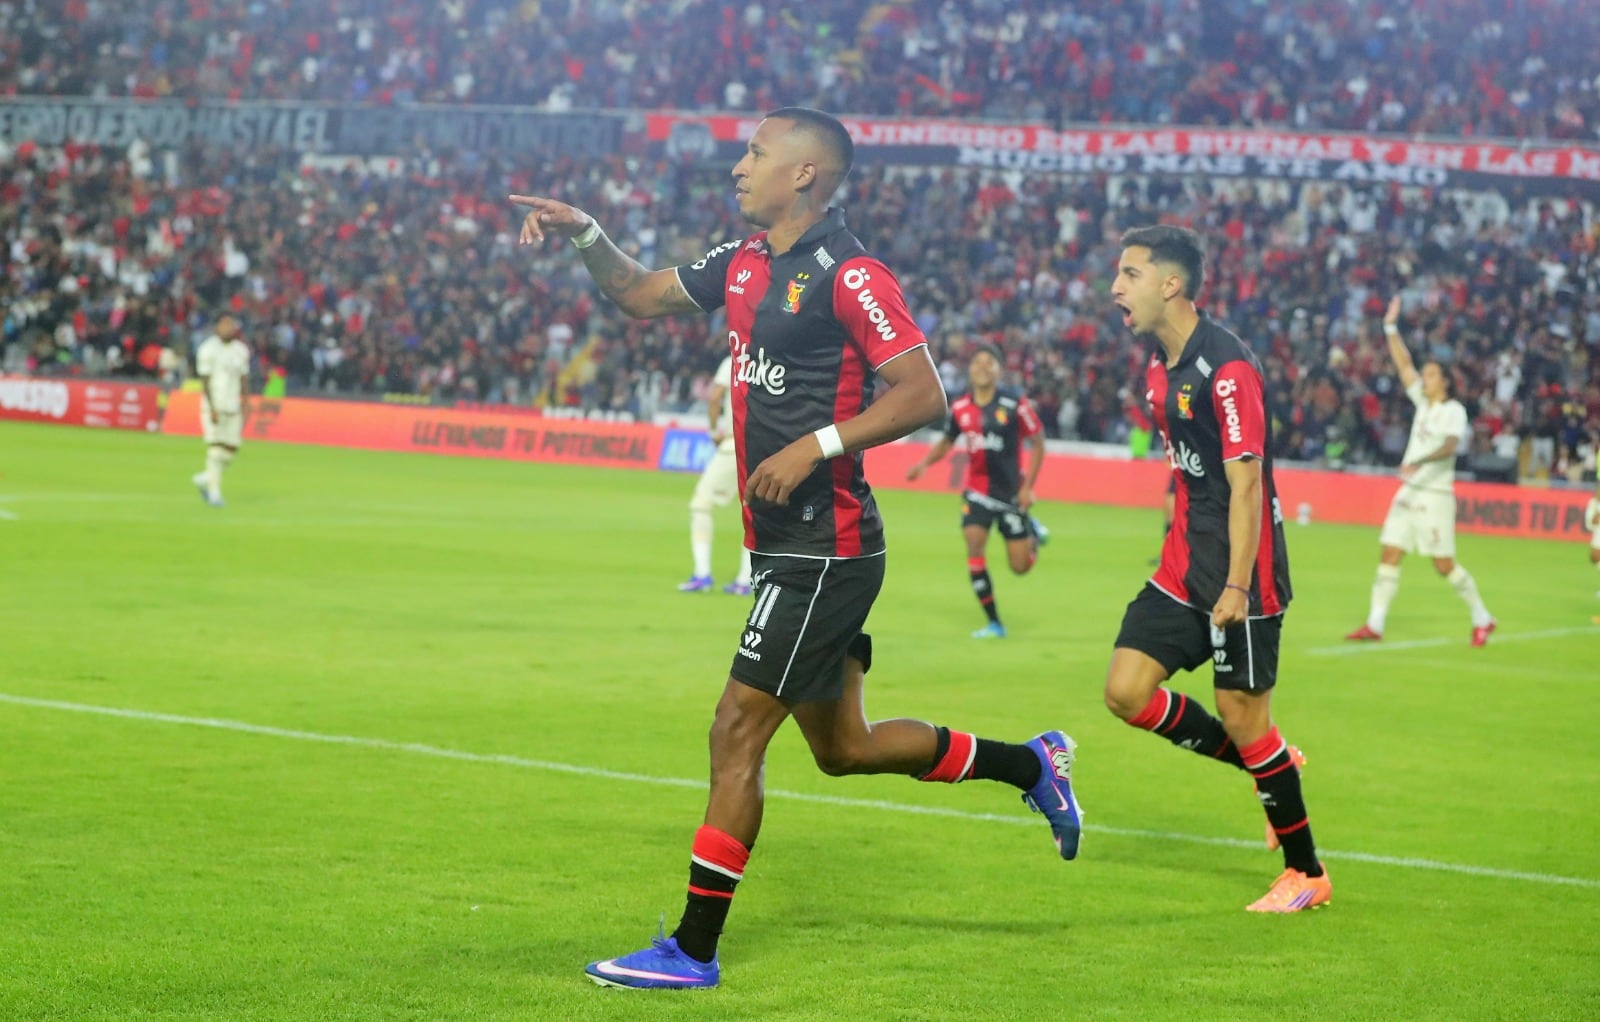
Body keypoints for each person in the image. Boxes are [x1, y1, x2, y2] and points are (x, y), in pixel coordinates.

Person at [509, 107, 1082, 991]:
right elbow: (637, 292)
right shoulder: (742, 264)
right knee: (842, 747)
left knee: (735, 729)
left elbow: (923, 394)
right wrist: (586, 231)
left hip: (828, 546)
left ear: (805, 174)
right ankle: (1030, 763)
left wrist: (814, 445)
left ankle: (693, 952)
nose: (739, 166)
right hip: (784, 548)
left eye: (756, 153)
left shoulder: (851, 277)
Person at [1103, 225, 1329, 913]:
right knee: (1126, 691)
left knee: (1243, 717)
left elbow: (1246, 485)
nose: (1116, 287)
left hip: (1243, 574)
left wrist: (1236, 584)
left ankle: (1306, 874)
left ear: (1171, 284)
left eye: (1130, 274)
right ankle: (1274, 769)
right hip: (1182, 567)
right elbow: (1189, 473)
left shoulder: (1226, 370)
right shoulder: (1155, 368)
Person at [1346, 297, 1496, 646]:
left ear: (1445, 381)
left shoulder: (1453, 411)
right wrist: (1390, 327)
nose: (1423, 379)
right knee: (1390, 553)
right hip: (1410, 491)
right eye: (1425, 374)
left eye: (1430, 375)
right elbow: (1403, 365)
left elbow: (1450, 446)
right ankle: (1375, 624)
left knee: (1443, 564)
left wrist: (1420, 461)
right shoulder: (1424, 404)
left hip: (1435, 495)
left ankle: (1482, 616)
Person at [906, 344, 1048, 638]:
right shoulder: (960, 408)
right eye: (977, 362)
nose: (982, 367)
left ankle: (1032, 533)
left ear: (999, 370)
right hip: (977, 493)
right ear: (969, 370)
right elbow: (947, 441)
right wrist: (923, 464)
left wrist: (1028, 488)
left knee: (1020, 567)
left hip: (1010, 497)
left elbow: (1038, 442)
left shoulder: (1015, 404)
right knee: (974, 546)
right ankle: (995, 623)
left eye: (989, 362)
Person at [678, 351, 754, 595]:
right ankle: (745, 579)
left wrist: (713, 432)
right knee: (756, 512)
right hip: (767, 446)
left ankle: (702, 575)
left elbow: (715, 397)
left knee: (701, 503)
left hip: (736, 444)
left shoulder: (735, 357)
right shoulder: (778, 355)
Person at [191, 315, 250, 507]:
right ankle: (214, 492)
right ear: (217, 327)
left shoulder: (241, 351)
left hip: (233, 405)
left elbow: (243, 377)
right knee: (216, 449)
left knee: (231, 449)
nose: (228, 328)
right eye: (224, 325)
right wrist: (212, 407)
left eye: (231, 325)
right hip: (214, 405)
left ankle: (205, 478)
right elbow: (205, 381)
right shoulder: (208, 349)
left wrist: (246, 401)